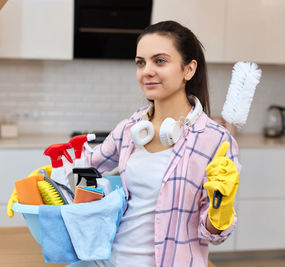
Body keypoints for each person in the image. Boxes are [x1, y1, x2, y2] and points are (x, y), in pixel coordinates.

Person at [69, 20, 240, 267]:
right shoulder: (131, 128)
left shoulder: (216, 140)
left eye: (159, 61)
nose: (146, 71)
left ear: (188, 70)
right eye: (141, 62)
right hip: (107, 260)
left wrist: (221, 210)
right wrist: (43, 181)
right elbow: (84, 170)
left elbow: (213, 236)